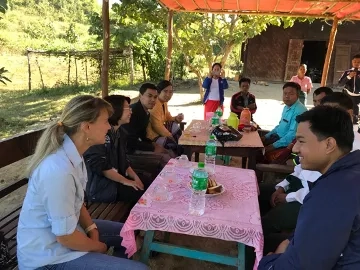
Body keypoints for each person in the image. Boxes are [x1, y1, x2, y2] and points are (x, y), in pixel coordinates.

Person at [17, 95, 148, 270]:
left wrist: (92, 229)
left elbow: (77, 203)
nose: (109, 126)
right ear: (86, 127)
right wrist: (97, 246)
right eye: (105, 122)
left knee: (127, 233)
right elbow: (65, 237)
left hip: (68, 234)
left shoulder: (74, 156)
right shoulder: (58, 170)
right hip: (48, 258)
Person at [259, 106, 360, 270]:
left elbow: (302, 265)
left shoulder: (332, 193)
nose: (294, 148)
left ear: (329, 144)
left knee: (261, 244)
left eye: (301, 141)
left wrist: (269, 264)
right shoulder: (349, 172)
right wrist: (289, 241)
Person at [84, 95, 152, 205]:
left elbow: (124, 161)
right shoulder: (100, 135)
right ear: (115, 110)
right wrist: (127, 181)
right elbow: (102, 167)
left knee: (149, 182)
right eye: (127, 108)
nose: (131, 111)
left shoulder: (120, 132)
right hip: (101, 187)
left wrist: (135, 178)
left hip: (115, 179)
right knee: (140, 193)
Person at [122, 83, 172, 173]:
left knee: (169, 152)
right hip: (129, 152)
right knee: (165, 158)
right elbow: (130, 141)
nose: (153, 100)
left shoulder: (146, 113)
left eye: (155, 97)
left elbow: (142, 136)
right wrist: (152, 148)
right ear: (140, 96)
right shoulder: (132, 113)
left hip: (139, 145)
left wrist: (153, 144)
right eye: (149, 96)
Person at [261, 82, 307, 159]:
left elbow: (292, 135)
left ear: (298, 95)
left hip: (286, 145)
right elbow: (280, 126)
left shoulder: (299, 111)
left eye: (291, 94)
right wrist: (266, 136)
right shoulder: (287, 107)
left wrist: (272, 146)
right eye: (285, 93)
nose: (286, 96)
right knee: (255, 146)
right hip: (277, 139)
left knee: (259, 155)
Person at [147, 80, 184, 156]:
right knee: (172, 144)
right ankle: (179, 157)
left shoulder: (163, 102)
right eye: (165, 91)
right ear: (158, 91)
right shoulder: (155, 104)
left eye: (170, 92)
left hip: (160, 132)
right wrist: (170, 136)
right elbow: (157, 126)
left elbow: (167, 116)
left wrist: (176, 118)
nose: (168, 94)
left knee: (176, 129)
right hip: (153, 136)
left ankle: (182, 150)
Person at [339, 54, 360, 123]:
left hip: (357, 96)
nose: (356, 63)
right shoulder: (347, 72)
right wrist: (349, 77)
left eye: (359, 62)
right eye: (355, 62)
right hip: (347, 94)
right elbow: (340, 84)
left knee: (355, 116)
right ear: (352, 62)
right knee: (345, 111)